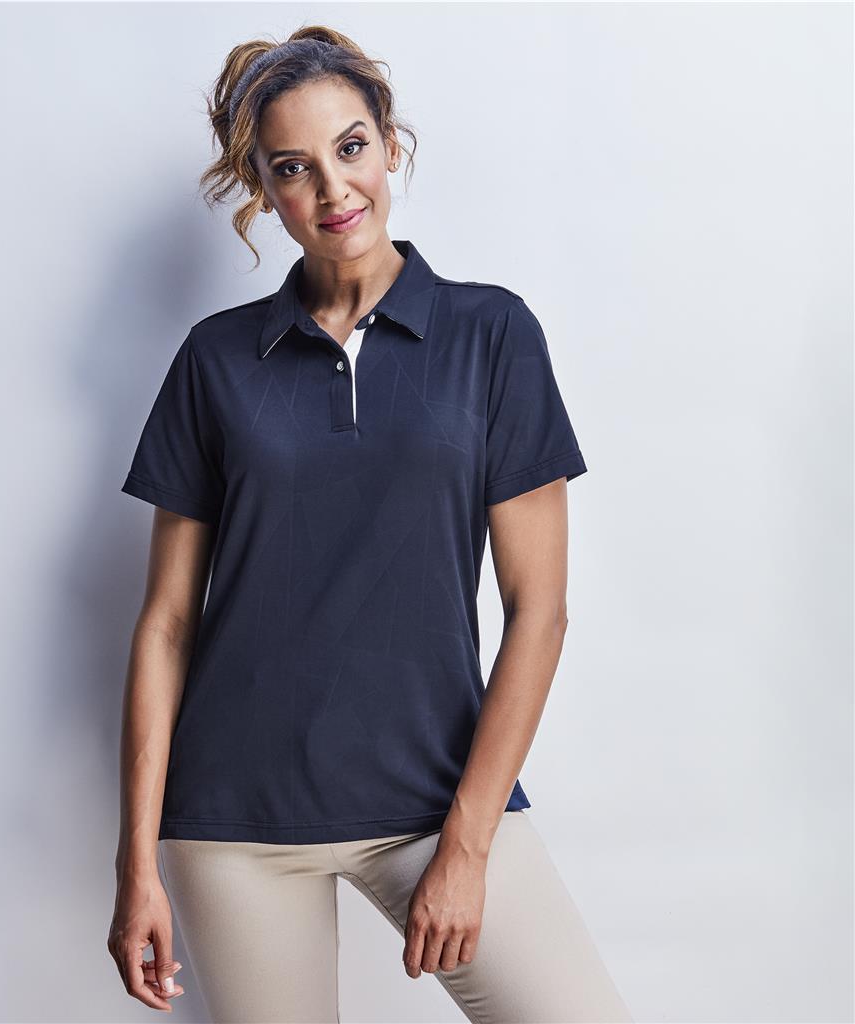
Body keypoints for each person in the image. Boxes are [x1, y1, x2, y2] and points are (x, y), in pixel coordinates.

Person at [108, 25, 633, 1024]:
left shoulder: (491, 334)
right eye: (292, 168)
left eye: (350, 147)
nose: (332, 189)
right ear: (262, 187)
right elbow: (166, 624)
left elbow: (540, 610)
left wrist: (467, 847)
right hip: (236, 822)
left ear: (389, 143)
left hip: (435, 803)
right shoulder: (215, 361)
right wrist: (136, 866)